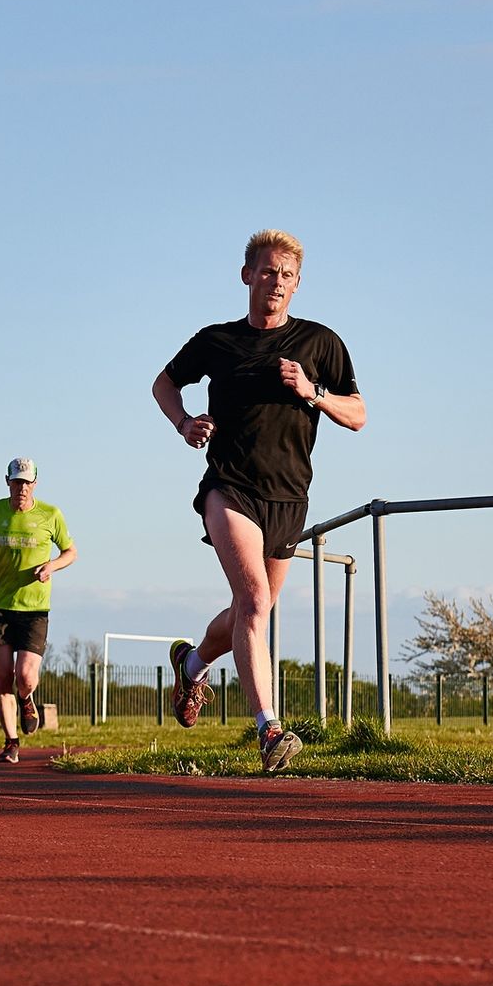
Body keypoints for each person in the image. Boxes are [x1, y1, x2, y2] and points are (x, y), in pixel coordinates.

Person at [150, 230, 364, 772]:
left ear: (297, 285)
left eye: (286, 275)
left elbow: (358, 414)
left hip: (289, 497)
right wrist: (183, 423)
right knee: (253, 603)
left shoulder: (321, 344)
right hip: (229, 486)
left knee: (256, 606)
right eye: (267, 271)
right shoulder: (216, 340)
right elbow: (164, 383)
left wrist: (313, 392)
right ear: (246, 275)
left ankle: (192, 663)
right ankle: (269, 730)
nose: (276, 282)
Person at [0, 457, 77, 764]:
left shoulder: (50, 515)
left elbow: (71, 552)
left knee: (25, 676)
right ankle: (11, 741)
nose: (21, 488)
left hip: (34, 608)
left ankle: (27, 700)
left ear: (35, 484)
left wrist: (52, 566)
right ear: (7, 482)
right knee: (3, 676)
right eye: (16, 482)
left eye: (27, 483)